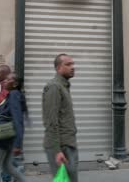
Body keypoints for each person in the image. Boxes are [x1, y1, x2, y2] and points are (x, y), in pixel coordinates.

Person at [42, 53, 78, 182]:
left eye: (73, 64)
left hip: (68, 143)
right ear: (58, 68)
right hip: (61, 146)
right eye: (68, 64)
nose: (73, 67)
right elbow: (51, 121)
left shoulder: (63, 86)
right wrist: (57, 150)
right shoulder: (54, 87)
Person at [0, 72, 26, 182]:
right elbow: (8, 114)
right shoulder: (13, 94)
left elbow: (17, 118)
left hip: (4, 137)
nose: (5, 81)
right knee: (7, 166)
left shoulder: (13, 95)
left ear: (15, 84)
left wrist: (18, 144)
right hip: (8, 136)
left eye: (8, 79)